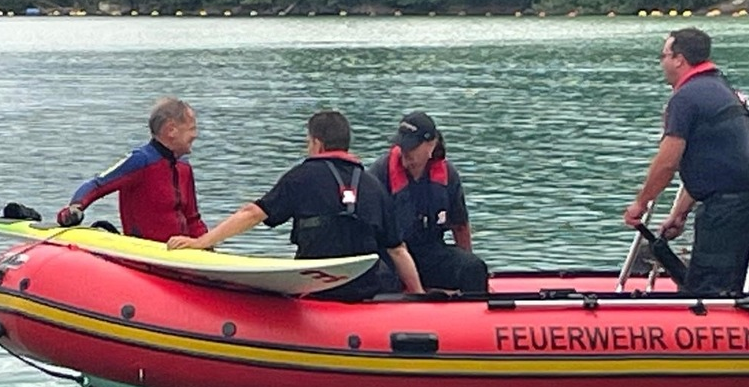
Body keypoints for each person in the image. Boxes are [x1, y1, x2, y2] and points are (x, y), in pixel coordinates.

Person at [167, 110, 425, 301]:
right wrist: (418, 295)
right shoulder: (372, 185)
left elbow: (253, 214)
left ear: (317, 144)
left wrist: (201, 242)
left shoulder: (302, 177)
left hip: (318, 290)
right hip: (364, 290)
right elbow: (398, 251)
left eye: (308, 141)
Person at [623, 28, 749, 295]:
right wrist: (680, 212)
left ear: (679, 59)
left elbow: (667, 161)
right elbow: (710, 160)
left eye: (663, 55)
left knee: (710, 286)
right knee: (715, 276)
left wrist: (640, 203)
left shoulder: (686, 98)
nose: (661, 62)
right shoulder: (718, 87)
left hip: (727, 206)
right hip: (739, 198)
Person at [56, 97, 208, 242]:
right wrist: (75, 208)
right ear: (171, 130)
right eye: (191, 129)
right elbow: (97, 184)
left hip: (181, 253)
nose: (195, 135)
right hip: (144, 252)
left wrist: (207, 246)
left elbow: (193, 218)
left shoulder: (184, 167)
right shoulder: (140, 160)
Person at [369, 111, 489, 293]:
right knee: (383, 277)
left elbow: (460, 226)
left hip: (430, 251)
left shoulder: (448, 175)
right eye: (403, 147)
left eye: (412, 147)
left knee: (473, 267)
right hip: (392, 256)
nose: (406, 153)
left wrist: (467, 259)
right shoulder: (379, 174)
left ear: (431, 145)